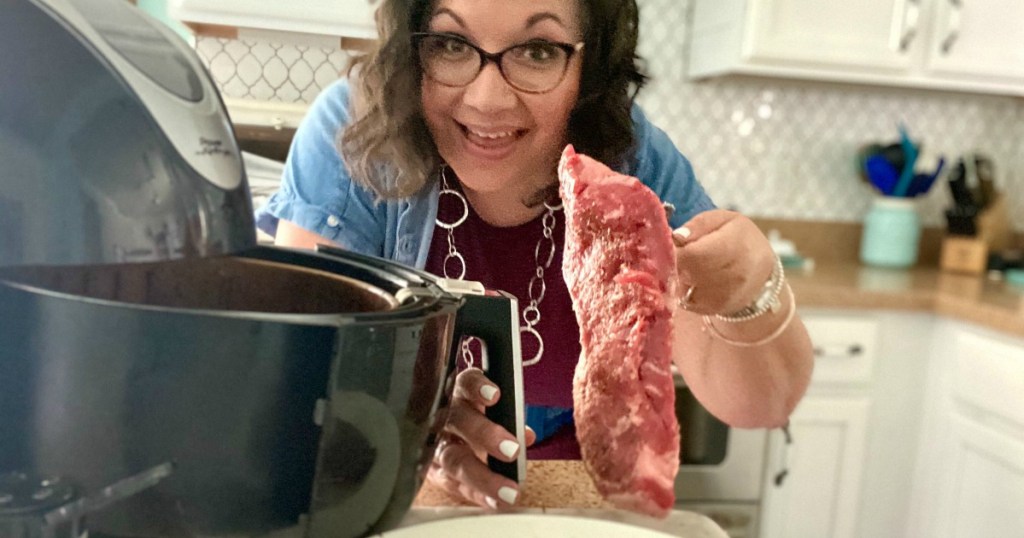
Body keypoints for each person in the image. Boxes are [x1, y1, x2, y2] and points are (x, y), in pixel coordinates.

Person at [256, 0, 813, 512]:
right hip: (403, 491)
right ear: (410, 47)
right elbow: (299, 392)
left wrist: (752, 291)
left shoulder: (632, 162)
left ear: (588, 67)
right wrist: (413, 424)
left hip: (583, 495)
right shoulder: (357, 138)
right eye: (450, 44)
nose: (487, 99)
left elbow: (760, 406)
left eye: (538, 51)